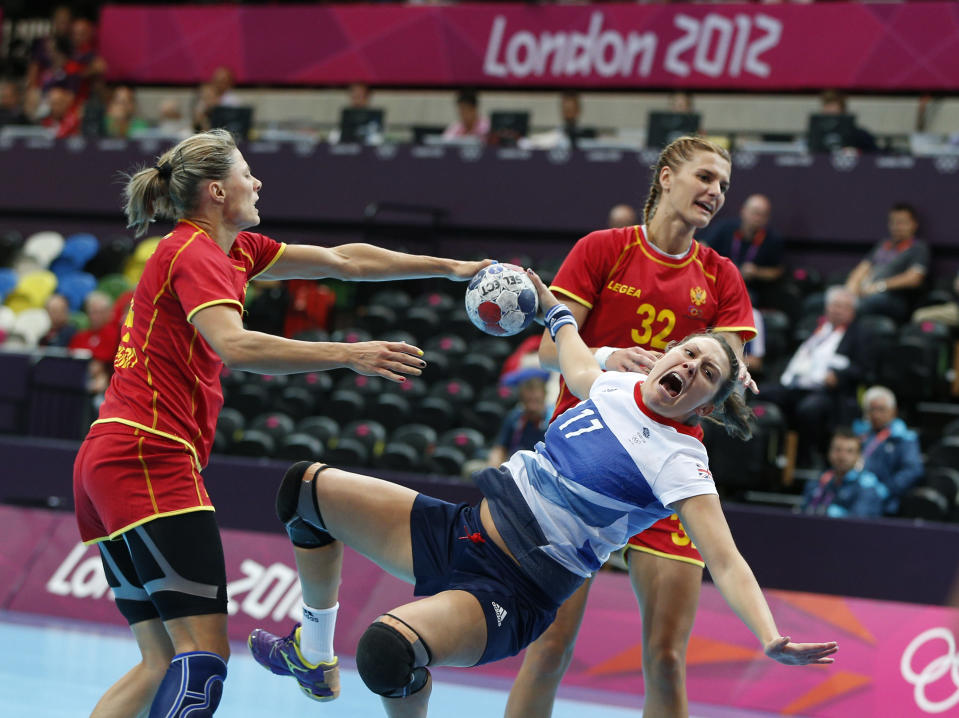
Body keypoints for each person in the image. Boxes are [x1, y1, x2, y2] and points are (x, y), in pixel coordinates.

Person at [247, 270, 837, 717]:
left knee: (386, 653)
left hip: (512, 588)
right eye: (690, 353)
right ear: (667, 355)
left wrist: (768, 636)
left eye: (708, 373)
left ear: (704, 407)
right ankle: (315, 654)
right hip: (461, 528)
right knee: (304, 489)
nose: (692, 366)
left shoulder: (682, 459)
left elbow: (726, 560)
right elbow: (577, 364)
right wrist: (551, 308)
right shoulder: (618, 385)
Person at [72, 128, 492, 718]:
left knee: (162, 659)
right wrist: (348, 352)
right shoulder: (194, 253)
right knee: (202, 662)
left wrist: (452, 267)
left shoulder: (234, 250)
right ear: (218, 191)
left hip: (110, 456)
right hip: (149, 454)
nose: (258, 180)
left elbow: (345, 260)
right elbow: (236, 346)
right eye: (248, 172)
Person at [507, 135, 758, 718]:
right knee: (548, 647)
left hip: (664, 481)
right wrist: (605, 355)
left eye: (723, 185)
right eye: (704, 177)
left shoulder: (721, 278)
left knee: (666, 660)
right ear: (666, 177)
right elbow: (549, 351)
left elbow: (729, 368)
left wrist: (736, 370)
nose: (715, 193)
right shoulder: (604, 250)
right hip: (582, 473)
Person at [761, 286, 867, 468]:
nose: (837, 310)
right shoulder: (815, 327)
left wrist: (839, 377)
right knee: (762, 394)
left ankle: (805, 459)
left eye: (843, 307)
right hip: (796, 384)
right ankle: (771, 455)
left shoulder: (859, 335)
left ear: (852, 311)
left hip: (830, 393)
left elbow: (863, 369)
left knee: (809, 409)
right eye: (834, 305)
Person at [845, 202, 929, 322]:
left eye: (902, 223)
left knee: (863, 304)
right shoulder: (883, 245)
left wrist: (879, 286)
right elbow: (862, 268)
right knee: (828, 300)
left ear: (914, 224)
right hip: (866, 292)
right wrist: (850, 290)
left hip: (893, 298)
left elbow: (914, 278)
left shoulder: (919, 248)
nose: (896, 227)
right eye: (893, 222)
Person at [698, 194, 785, 309]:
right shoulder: (725, 228)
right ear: (743, 211)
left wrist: (757, 272)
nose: (757, 218)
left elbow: (777, 271)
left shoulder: (772, 239)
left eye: (763, 215)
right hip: (717, 282)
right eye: (755, 213)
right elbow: (702, 246)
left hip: (749, 289)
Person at [852, 386, 924, 516]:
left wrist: (886, 489)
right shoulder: (861, 435)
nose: (876, 415)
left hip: (886, 499)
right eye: (871, 410)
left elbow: (913, 470)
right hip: (855, 491)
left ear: (893, 411)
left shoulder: (904, 438)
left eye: (881, 409)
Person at [801, 428, 887, 518]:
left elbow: (859, 522)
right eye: (837, 450)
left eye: (849, 451)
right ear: (829, 452)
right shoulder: (817, 482)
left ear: (858, 456)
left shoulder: (867, 487)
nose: (842, 456)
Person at [486, 364, 552, 468]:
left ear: (544, 396)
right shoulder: (514, 417)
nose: (532, 406)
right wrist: (493, 467)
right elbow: (500, 448)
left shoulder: (554, 420)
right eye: (528, 401)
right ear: (521, 399)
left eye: (536, 401)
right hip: (516, 469)